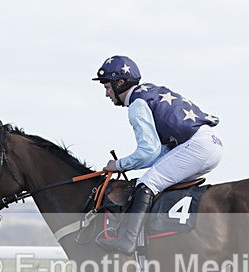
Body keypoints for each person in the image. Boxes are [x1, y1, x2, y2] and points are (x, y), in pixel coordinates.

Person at [92, 55, 223, 255]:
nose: (107, 94)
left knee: (146, 184)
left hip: (197, 146)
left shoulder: (137, 105)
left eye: (107, 87)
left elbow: (148, 152)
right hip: (210, 145)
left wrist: (118, 165)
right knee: (157, 182)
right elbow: (158, 154)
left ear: (120, 83)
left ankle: (127, 241)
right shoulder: (150, 92)